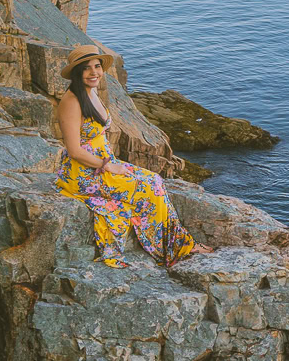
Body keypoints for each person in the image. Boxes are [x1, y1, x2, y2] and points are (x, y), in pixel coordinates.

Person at [55, 45, 210, 268]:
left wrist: (111, 163)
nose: (94, 73)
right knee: (150, 187)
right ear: (77, 72)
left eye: (97, 67)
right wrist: (108, 166)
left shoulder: (92, 92)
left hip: (103, 164)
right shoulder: (71, 102)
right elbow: (74, 151)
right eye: (86, 68)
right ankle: (175, 247)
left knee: (155, 181)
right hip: (83, 174)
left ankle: (179, 242)